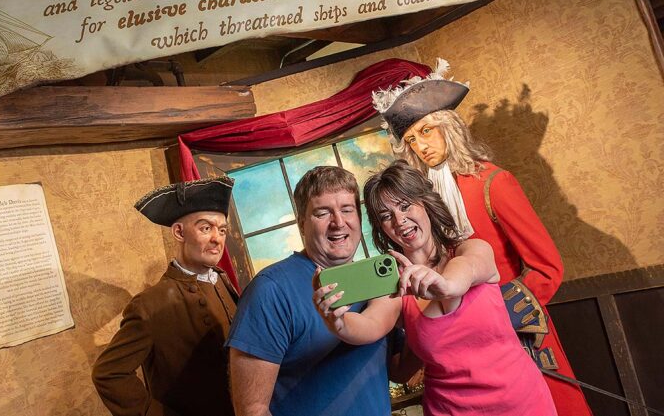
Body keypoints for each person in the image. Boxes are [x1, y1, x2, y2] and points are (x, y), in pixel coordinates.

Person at [373, 60, 592, 416]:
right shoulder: (420, 203)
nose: (421, 145)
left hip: (518, 330)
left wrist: (504, 315)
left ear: (448, 126)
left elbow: (546, 267)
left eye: (427, 131)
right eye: (412, 139)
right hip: (456, 345)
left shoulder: (492, 183)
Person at [314, 160, 557, 416]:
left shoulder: (471, 249)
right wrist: (338, 323)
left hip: (525, 404)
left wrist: (444, 285)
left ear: (426, 203)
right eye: (386, 216)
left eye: (405, 206)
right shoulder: (397, 285)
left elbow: (466, 270)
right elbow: (370, 325)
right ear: (381, 228)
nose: (400, 220)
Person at [226, 166, 391, 416]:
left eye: (347, 210)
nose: (338, 223)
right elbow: (252, 410)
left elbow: (402, 370)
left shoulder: (376, 283)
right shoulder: (270, 290)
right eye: (322, 212)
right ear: (302, 223)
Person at [92, 176, 239, 416]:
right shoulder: (149, 304)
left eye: (222, 230)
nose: (217, 238)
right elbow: (108, 374)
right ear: (179, 232)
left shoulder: (223, 281)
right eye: (205, 228)